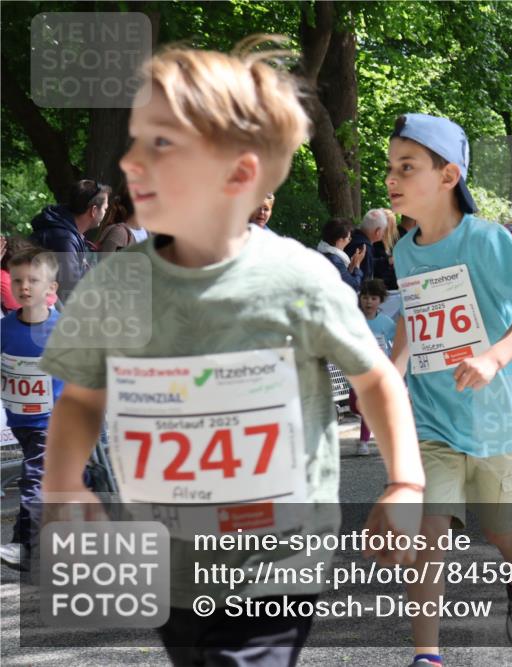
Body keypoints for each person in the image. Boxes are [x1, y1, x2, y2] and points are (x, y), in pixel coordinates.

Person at [39, 36, 423, 664]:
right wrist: (63, 484)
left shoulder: (297, 280)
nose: (132, 162)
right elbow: (83, 397)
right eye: (137, 140)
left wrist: (405, 481)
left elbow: (376, 379)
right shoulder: (116, 281)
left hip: (279, 559)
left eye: (160, 145)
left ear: (239, 175)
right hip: (170, 563)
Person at [386, 112, 512, 666]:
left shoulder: (486, 241)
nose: (391, 178)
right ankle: (427, 658)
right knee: (431, 532)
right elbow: (415, 313)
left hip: (495, 422)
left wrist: (495, 356)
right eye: (390, 167)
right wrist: (392, 371)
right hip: (434, 420)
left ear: (449, 175)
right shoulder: (404, 250)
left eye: (407, 167)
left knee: (503, 531)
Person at [0, 248, 63, 571]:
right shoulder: (5, 328)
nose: (24, 287)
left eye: (34, 281)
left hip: (52, 422)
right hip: (20, 422)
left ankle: (25, 545)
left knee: (34, 478)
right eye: (18, 280)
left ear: (51, 289)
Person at [29, 179, 110, 303]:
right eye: (105, 209)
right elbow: (70, 292)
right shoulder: (64, 239)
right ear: (93, 211)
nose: (105, 213)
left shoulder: (68, 233)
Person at [349, 279, 398, 456]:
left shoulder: (386, 322)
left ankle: (363, 442)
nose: (369, 302)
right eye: (365, 297)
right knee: (355, 406)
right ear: (360, 298)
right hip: (357, 370)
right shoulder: (354, 319)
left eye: (373, 298)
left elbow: (396, 342)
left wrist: (394, 362)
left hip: (378, 371)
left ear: (380, 301)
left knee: (366, 406)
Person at [317, 217, 365, 292]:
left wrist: (351, 268)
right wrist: (357, 266)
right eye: (349, 238)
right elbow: (353, 286)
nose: (349, 241)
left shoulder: (320, 252)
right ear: (340, 240)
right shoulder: (335, 260)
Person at [344, 207, 388, 282]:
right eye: (384, 230)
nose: (384, 234)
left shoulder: (350, 237)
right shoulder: (364, 248)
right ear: (378, 231)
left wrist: (387, 261)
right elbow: (365, 282)